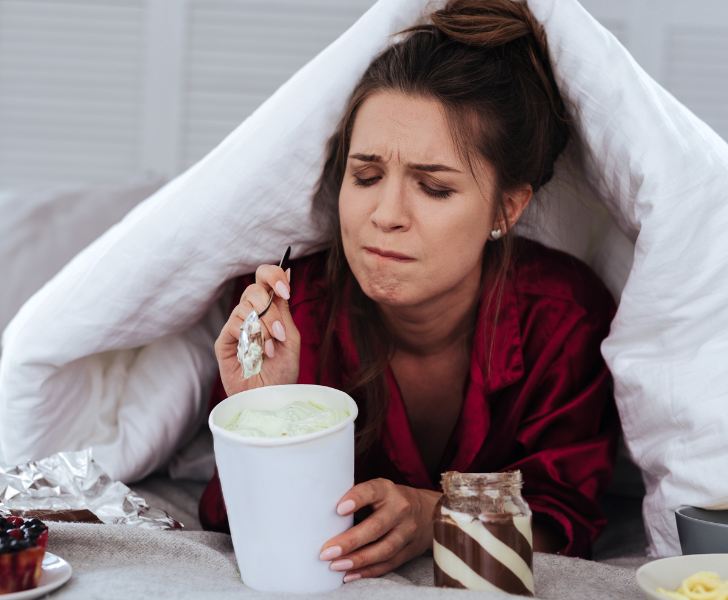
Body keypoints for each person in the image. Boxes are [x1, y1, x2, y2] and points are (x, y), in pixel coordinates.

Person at [200, 0, 619, 583]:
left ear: (507, 207)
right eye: (365, 176)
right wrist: (263, 410)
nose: (385, 215)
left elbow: (564, 520)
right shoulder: (292, 318)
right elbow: (228, 520)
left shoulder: (565, 318)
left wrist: (439, 517)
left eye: (433, 188)